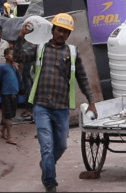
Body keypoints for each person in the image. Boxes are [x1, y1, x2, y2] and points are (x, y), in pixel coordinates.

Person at [16, 13, 97, 193]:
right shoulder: (39, 50)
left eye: (65, 32)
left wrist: (91, 101)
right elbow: (18, 57)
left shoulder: (72, 53)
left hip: (61, 108)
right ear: (53, 30)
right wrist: (21, 36)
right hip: (42, 106)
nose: (61, 34)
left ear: (68, 35)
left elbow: (82, 78)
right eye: (59, 30)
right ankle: (50, 183)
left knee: (61, 145)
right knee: (46, 145)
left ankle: (47, 163)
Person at [0, 48, 23, 145]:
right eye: (12, 54)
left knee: (11, 115)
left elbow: (19, 80)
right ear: (6, 56)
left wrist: (17, 70)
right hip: (6, 94)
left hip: (14, 93)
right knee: (8, 116)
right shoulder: (3, 67)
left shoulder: (14, 67)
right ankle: (9, 136)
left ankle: (2, 130)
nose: (14, 56)